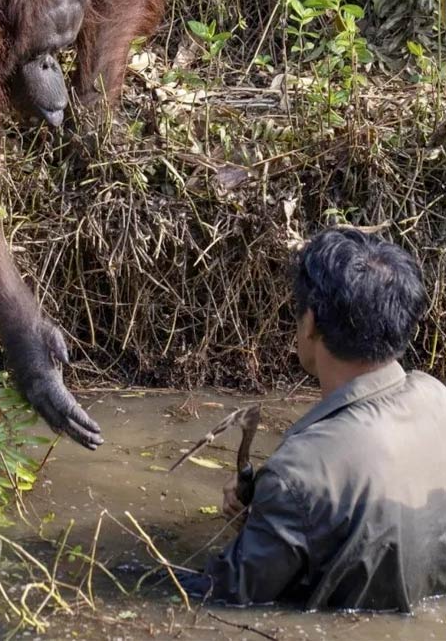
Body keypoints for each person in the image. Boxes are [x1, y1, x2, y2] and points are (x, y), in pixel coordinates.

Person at [179, 227, 446, 612]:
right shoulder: (436, 395)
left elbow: (223, 597)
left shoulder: (299, 473)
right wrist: (265, 520)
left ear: (310, 322)